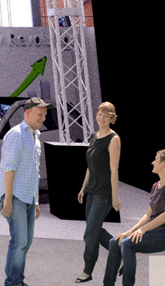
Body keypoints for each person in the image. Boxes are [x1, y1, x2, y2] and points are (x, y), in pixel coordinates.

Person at [0, 97, 50, 286]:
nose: (43, 118)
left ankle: (18, 280)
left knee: (25, 243)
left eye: (44, 115)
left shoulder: (35, 137)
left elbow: (34, 172)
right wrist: (8, 199)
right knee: (19, 241)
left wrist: (35, 201)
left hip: (28, 197)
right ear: (27, 113)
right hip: (15, 196)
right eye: (40, 114)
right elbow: (9, 167)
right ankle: (12, 282)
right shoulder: (16, 135)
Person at [101, 149, 165, 286]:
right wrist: (129, 231)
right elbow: (148, 215)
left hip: (163, 233)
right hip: (154, 230)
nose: (152, 162)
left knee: (127, 244)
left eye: (156, 159)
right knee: (115, 242)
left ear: (163, 164)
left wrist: (143, 229)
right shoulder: (156, 185)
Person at [78, 102, 121, 283]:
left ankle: (87, 270)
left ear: (112, 118)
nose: (101, 118)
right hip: (91, 190)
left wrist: (115, 197)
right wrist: (83, 187)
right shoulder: (93, 136)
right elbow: (90, 166)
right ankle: (120, 251)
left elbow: (114, 170)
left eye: (105, 115)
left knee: (90, 234)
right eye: (99, 114)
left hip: (104, 193)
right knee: (94, 230)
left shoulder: (114, 139)